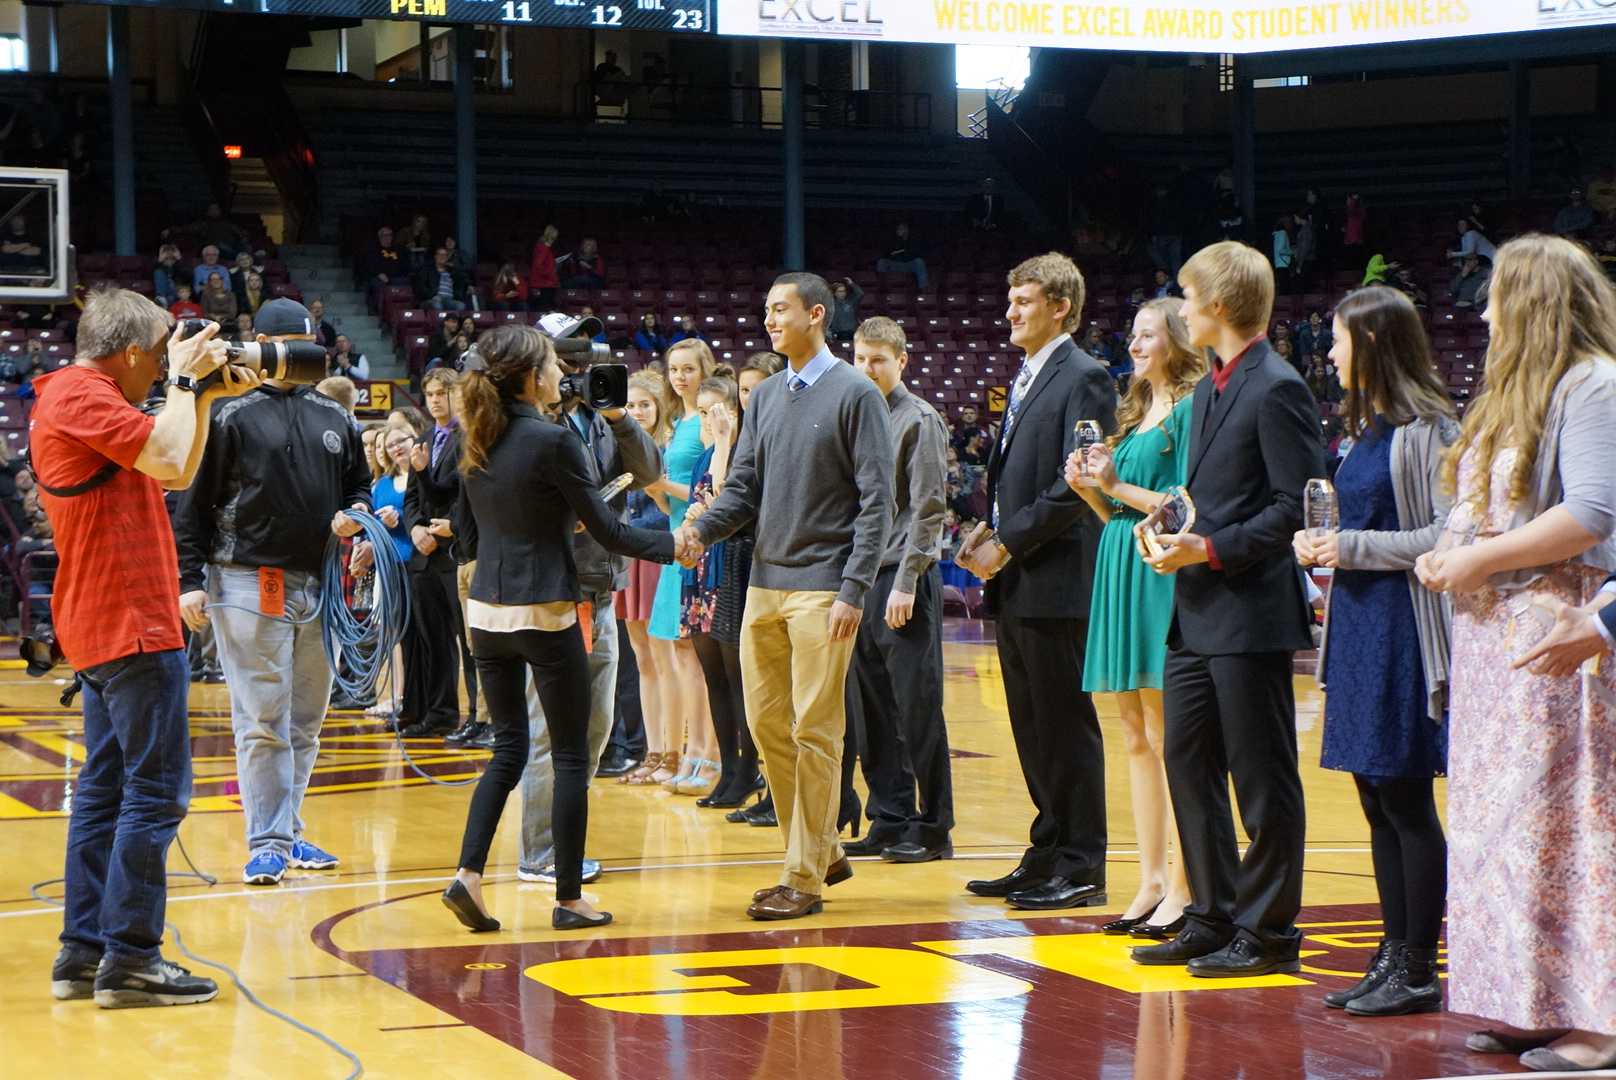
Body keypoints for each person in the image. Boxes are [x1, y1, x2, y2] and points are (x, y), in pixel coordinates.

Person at [1416, 235, 1616, 1072]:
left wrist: (1479, 559)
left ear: (1532, 300)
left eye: (1496, 295)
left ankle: (1602, 1020)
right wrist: (1444, 550)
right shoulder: (1511, 394)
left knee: (1571, 828)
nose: (1483, 310)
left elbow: (1591, 515)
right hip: (1495, 644)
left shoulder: (1593, 384)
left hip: (1552, 630)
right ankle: (1532, 1000)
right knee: (1504, 831)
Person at [35, 291, 255, 1010]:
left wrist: (207, 397)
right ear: (131, 352)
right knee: (154, 794)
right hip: (129, 619)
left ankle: (83, 952)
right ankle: (130, 956)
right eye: (160, 356)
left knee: (104, 792)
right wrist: (186, 386)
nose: (164, 365)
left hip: (105, 619)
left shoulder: (80, 395)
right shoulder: (80, 391)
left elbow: (179, 471)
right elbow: (165, 453)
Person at [441, 324, 678, 934]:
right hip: (547, 608)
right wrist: (678, 544)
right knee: (572, 754)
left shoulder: (476, 438)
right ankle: (568, 897)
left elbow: (466, 529)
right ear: (531, 377)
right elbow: (611, 533)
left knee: (509, 748)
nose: (559, 372)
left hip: (486, 613)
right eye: (550, 363)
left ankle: (468, 875)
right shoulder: (552, 440)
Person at [676, 272, 895, 920]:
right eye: (766, 308)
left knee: (816, 730)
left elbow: (879, 501)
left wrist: (856, 587)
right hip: (764, 585)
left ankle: (802, 877)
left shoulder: (857, 394)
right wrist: (701, 530)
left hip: (825, 588)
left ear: (817, 315)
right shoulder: (766, 396)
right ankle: (824, 845)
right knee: (768, 725)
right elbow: (742, 489)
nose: (770, 319)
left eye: (781, 309)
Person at [1130, 241, 1322, 977]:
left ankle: (1270, 931)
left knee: (1262, 776)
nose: (1179, 308)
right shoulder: (1209, 389)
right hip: (1196, 609)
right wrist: (1169, 521)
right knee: (1189, 764)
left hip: (1247, 610)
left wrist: (1207, 550)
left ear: (1217, 305)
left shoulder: (1278, 388)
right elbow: (1213, 497)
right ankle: (1212, 912)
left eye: (1185, 294)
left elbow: (1291, 510)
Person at [1290, 286, 1456, 1018]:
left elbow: (1449, 537)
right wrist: (1318, 545)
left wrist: (1349, 546)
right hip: (1359, 624)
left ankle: (1419, 966)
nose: (1329, 353)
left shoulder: (1431, 428)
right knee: (1375, 797)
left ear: (1376, 343)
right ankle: (1391, 955)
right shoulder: (1367, 427)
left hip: (1404, 630)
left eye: (1338, 340)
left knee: (1406, 796)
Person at [174, 298, 373, 887]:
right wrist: (188, 581)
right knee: (262, 718)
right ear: (263, 346)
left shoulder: (337, 417)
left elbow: (358, 485)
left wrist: (358, 516)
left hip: (323, 582)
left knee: (306, 720)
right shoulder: (229, 414)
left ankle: (288, 830)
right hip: (245, 577)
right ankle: (266, 841)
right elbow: (195, 503)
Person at [954, 253, 1118, 911]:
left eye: (1023, 302)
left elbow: (1075, 484)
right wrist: (987, 531)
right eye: (1010, 299)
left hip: (1058, 578)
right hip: (1021, 578)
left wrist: (1009, 540)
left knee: (1064, 724)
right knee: (1030, 724)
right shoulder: (1027, 376)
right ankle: (1048, 847)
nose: (1010, 312)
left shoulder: (1086, 377)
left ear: (1059, 305)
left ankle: (1081, 862)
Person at [1066, 298, 1203, 939]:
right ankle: (1149, 878)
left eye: (1148, 333)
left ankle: (1184, 882)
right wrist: (1093, 494)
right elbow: (1118, 516)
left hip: (1157, 570)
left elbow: (1184, 508)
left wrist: (1115, 486)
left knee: (1166, 729)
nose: (1135, 343)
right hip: (1121, 556)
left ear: (1178, 339)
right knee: (1133, 732)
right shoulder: (1136, 410)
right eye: (1134, 333)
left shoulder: (1191, 411)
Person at [515, 315, 663, 884]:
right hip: (553, 592)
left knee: (595, 730)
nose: (580, 365)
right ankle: (540, 853)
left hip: (600, 589)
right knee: (551, 730)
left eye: (587, 353)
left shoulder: (600, 416)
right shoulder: (528, 420)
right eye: (569, 354)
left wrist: (620, 415)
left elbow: (647, 470)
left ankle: (564, 844)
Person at [842, 316, 954, 863]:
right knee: (872, 711)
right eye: (861, 359)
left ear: (901, 361)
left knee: (917, 708)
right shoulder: (857, 419)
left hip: (902, 580)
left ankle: (934, 827)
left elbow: (929, 508)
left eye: (879, 359)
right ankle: (889, 818)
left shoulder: (919, 419)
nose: (868, 368)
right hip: (861, 579)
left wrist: (907, 580)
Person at [676, 371, 763, 810]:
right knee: (713, 676)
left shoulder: (737, 451)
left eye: (718, 411)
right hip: (699, 570)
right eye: (704, 412)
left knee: (736, 677)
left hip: (729, 568)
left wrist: (727, 441)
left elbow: (730, 496)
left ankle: (749, 770)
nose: (709, 420)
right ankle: (729, 769)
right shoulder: (702, 455)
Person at [645, 339, 719, 794]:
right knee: (678, 654)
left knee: (694, 656)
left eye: (689, 369)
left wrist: (659, 483)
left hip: (698, 542)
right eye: (674, 369)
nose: (680, 377)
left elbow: (707, 487)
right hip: (674, 542)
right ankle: (689, 751)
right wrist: (652, 487)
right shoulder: (675, 425)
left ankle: (705, 754)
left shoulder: (706, 422)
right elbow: (669, 494)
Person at [396, 369, 474, 739]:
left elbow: (456, 494)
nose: (435, 400)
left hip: (454, 550)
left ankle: (476, 715)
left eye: (442, 393)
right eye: (429, 394)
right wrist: (413, 529)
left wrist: (439, 532)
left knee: (467, 640)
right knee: (431, 639)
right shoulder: (425, 438)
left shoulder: (469, 436)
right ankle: (439, 712)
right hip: (423, 553)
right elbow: (412, 496)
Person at [617, 370, 678, 785]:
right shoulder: (620, 448)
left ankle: (673, 752)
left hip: (659, 551)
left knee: (664, 657)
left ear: (659, 406)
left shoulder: (669, 446)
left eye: (645, 404)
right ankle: (652, 752)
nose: (638, 412)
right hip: (628, 552)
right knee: (641, 657)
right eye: (632, 404)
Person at [415, 247, 474, 312]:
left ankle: (452, 322)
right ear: (435, 256)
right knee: (437, 305)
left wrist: (469, 285)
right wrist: (432, 296)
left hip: (449, 300)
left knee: (460, 305)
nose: (442, 257)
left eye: (444, 255)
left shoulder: (452, 271)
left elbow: (464, 278)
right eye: (440, 254)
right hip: (432, 299)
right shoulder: (427, 270)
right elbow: (421, 287)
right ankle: (440, 322)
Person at [876, 223, 928, 289]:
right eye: (898, 229)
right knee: (881, 262)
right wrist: (894, 252)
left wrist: (904, 251)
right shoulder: (893, 239)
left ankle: (923, 287)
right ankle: (882, 288)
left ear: (906, 230)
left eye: (901, 229)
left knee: (919, 262)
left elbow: (915, 253)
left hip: (908, 264)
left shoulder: (913, 239)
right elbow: (887, 253)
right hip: (895, 264)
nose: (898, 231)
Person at [529, 225, 560, 311]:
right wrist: (550, 273)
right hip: (543, 284)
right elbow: (538, 265)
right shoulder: (543, 248)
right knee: (543, 309)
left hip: (547, 283)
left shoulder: (544, 248)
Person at [827, 278, 864, 344]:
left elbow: (860, 293)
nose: (843, 293)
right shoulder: (831, 304)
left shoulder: (851, 301)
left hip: (852, 332)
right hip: (838, 333)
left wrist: (851, 284)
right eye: (840, 291)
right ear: (835, 293)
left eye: (844, 291)